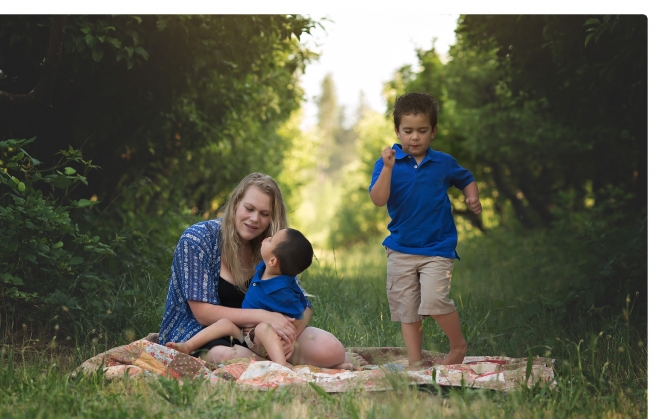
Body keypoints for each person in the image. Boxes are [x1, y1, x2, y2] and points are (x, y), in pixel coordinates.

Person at [159, 172, 361, 369]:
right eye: (249, 208)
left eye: (264, 214)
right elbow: (203, 313)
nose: (255, 218)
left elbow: (304, 306)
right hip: (203, 331)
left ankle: (276, 360)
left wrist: (290, 337)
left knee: (329, 348)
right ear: (236, 203)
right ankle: (282, 366)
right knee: (225, 355)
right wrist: (264, 316)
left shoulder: (270, 248)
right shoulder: (198, 239)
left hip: (259, 335)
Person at [369, 92, 482, 369]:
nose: (415, 137)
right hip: (400, 249)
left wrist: (472, 197)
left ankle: (458, 345)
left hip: (437, 248)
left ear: (434, 131)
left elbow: (466, 178)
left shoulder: (443, 162)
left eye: (422, 130)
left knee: (434, 300)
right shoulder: (387, 163)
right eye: (408, 131)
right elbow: (378, 199)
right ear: (397, 131)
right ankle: (415, 363)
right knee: (407, 311)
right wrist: (387, 168)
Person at [166, 227, 351, 370]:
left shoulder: (283, 290)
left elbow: (301, 310)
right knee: (224, 323)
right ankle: (188, 346)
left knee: (265, 328)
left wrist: (290, 334)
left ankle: (281, 367)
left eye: (271, 240)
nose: (266, 238)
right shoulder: (265, 268)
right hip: (247, 337)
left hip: (266, 338)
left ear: (273, 261)